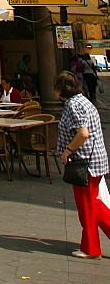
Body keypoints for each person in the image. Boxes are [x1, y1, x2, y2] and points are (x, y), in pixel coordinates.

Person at [55, 70, 110, 259]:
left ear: (61, 89)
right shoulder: (83, 100)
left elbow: (83, 133)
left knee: (87, 206)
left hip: (85, 162)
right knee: (92, 203)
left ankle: (91, 248)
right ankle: (90, 245)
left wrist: (68, 150)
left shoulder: (73, 105)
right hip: (93, 160)